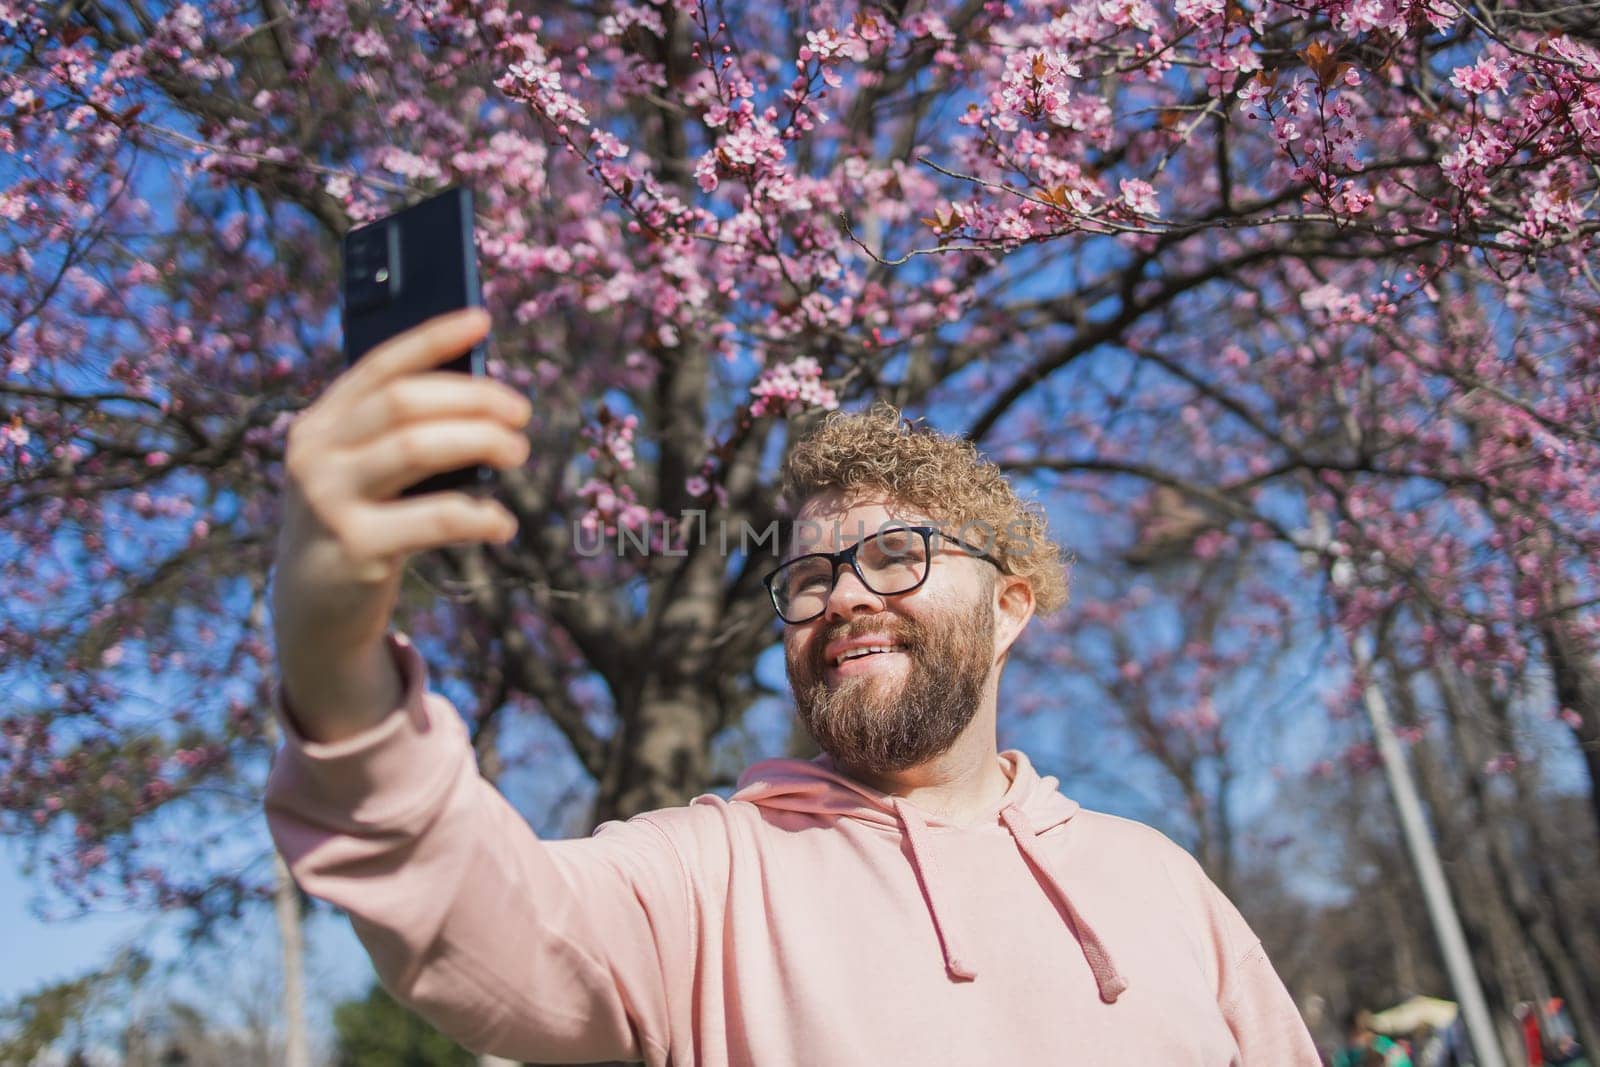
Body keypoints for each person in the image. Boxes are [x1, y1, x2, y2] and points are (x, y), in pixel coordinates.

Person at [264, 309, 1322, 1066]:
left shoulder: (1159, 881)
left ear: (1008, 606)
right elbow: (485, 919)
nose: (846, 596)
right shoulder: (705, 875)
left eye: (898, 553)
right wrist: (332, 658)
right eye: (811, 575)